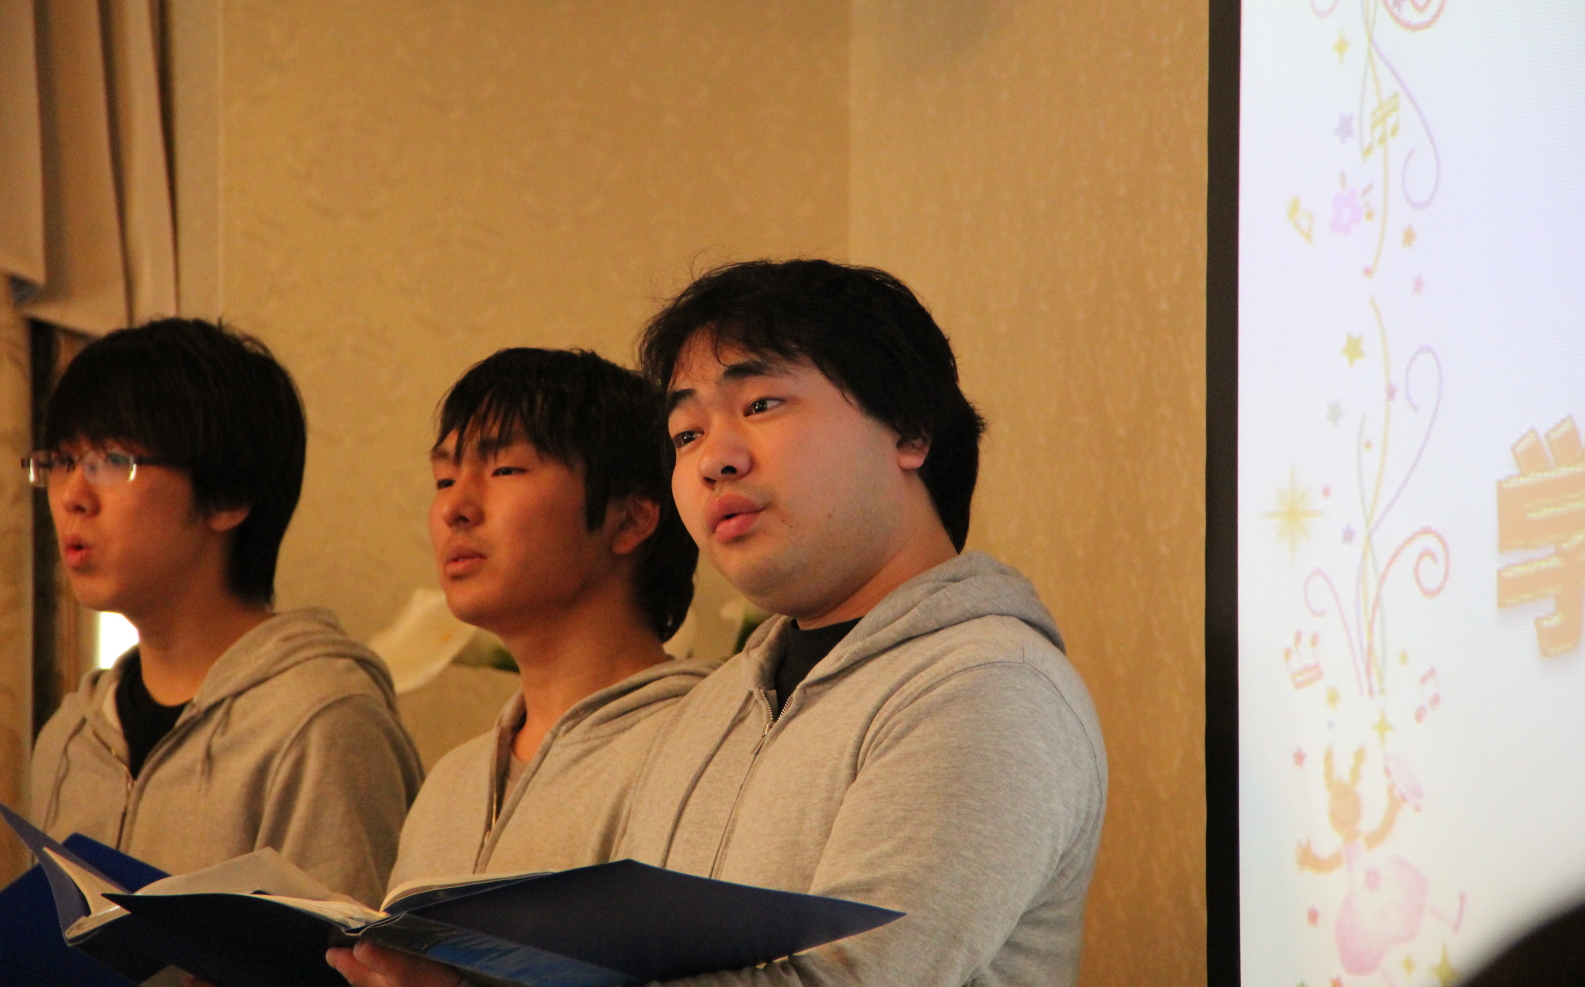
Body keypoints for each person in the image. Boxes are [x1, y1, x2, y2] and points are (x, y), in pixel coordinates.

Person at [331, 259, 1107, 987]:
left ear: (908, 429)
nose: (713, 460)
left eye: (761, 404)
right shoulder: (714, 709)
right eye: (686, 434)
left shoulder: (987, 687)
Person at [26, 318, 422, 907]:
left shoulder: (322, 724)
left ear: (228, 495)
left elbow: (345, 954)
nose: (72, 496)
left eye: (111, 459)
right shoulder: (70, 737)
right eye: (60, 461)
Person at [374, 348, 715, 895]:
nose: (454, 509)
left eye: (504, 469)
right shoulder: (448, 786)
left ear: (630, 518)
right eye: (443, 479)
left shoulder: (708, 749)